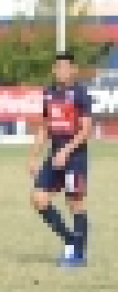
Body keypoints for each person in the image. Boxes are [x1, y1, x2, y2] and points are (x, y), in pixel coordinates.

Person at [30, 51, 94, 268]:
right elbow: (44, 128)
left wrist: (66, 151)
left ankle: (78, 255)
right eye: (58, 67)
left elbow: (86, 130)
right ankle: (71, 239)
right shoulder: (48, 94)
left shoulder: (80, 94)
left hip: (75, 156)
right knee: (38, 199)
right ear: (53, 70)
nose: (62, 71)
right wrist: (34, 156)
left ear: (74, 70)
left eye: (66, 67)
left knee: (74, 203)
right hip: (54, 155)